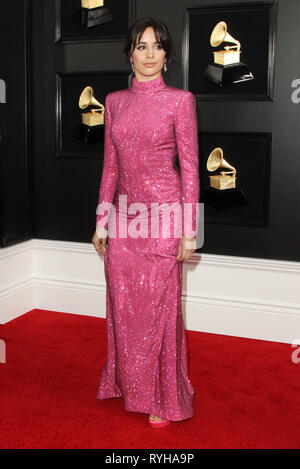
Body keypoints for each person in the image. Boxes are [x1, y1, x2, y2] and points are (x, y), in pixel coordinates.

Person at [91, 17, 200, 429]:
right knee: (124, 305)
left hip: (164, 216)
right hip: (124, 219)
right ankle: (125, 382)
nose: (149, 54)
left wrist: (190, 229)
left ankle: (164, 396)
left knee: (159, 310)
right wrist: (102, 222)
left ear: (167, 55)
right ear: (130, 54)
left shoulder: (180, 100)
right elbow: (110, 167)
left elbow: (190, 169)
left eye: (157, 46)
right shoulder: (114, 101)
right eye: (141, 46)